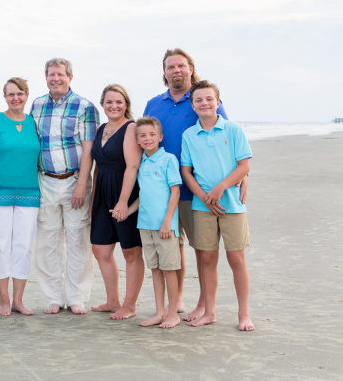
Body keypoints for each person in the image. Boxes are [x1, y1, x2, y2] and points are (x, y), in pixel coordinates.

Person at [142, 48, 237, 320]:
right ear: (164, 72)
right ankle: (178, 297)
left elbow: (227, 139)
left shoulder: (201, 99)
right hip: (162, 191)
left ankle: (205, 305)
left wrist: (244, 177)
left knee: (203, 249)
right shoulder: (154, 104)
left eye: (181, 66)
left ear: (191, 68)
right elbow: (145, 138)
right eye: (171, 67)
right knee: (173, 246)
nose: (176, 71)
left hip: (197, 188)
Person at [180, 81, 253, 331]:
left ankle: (244, 313)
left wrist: (220, 188)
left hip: (232, 205)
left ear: (218, 102)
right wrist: (203, 195)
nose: (204, 103)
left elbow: (244, 166)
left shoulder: (232, 130)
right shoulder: (189, 135)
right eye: (199, 100)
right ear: (193, 105)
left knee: (236, 259)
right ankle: (209, 312)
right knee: (207, 258)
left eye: (209, 99)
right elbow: (186, 171)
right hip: (202, 207)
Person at [29, 58, 99, 314]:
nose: (55, 79)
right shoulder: (36, 105)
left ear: (70, 77)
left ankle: (77, 296)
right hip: (45, 180)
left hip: (74, 180)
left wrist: (82, 184)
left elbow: (89, 147)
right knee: (47, 241)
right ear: (45, 77)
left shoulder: (85, 106)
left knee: (78, 239)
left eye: (60, 74)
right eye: (51, 74)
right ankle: (53, 297)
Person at [0, 77, 40, 316]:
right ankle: (4, 300)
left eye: (20, 93)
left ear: (26, 95)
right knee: (0, 245)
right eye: (11, 94)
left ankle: (18, 300)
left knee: (23, 247)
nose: (16, 98)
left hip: (30, 194)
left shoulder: (33, 122)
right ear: (5, 97)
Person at [89, 84, 144, 320]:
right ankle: (113, 300)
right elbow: (97, 167)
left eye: (119, 102)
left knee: (131, 252)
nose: (114, 106)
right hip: (102, 192)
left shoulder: (130, 128)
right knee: (100, 248)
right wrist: (93, 201)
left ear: (126, 104)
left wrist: (123, 202)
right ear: (103, 104)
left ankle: (129, 305)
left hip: (125, 193)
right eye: (109, 102)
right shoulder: (101, 128)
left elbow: (132, 166)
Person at [133, 117, 182, 329]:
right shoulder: (141, 162)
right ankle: (160, 312)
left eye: (152, 134)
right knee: (155, 269)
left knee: (169, 269)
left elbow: (175, 191)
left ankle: (173, 313)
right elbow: (143, 195)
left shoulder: (168, 159)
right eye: (143, 135)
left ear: (160, 137)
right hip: (145, 224)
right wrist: (126, 210)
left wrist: (167, 222)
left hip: (165, 226)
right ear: (137, 140)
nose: (148, 138)